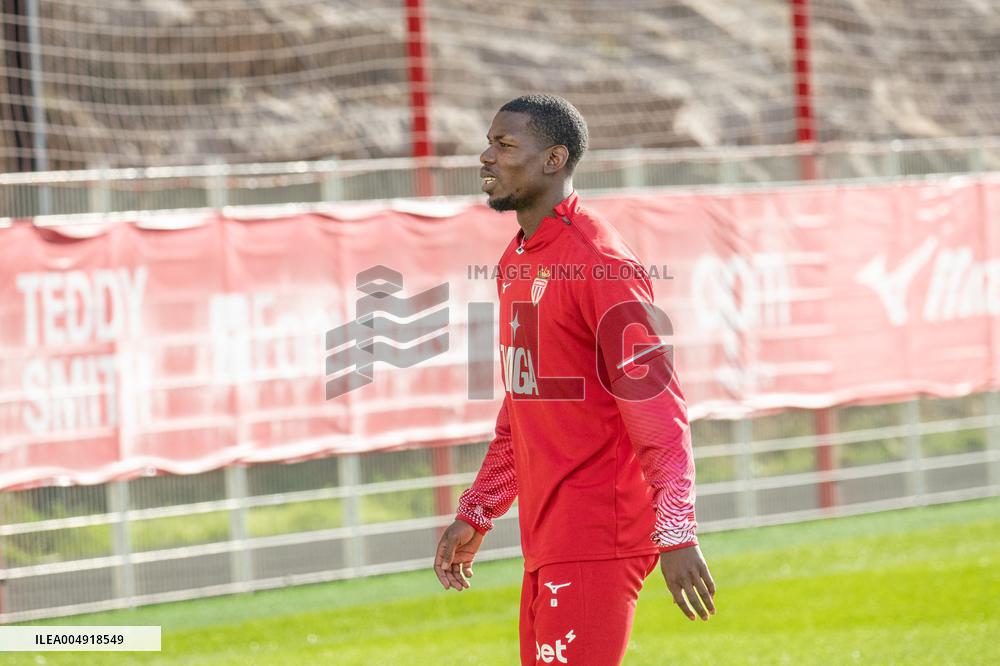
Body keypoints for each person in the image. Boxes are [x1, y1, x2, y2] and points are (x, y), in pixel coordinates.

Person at [433, 94, 715, 666]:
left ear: (554, 159)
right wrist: (480, 507)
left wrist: (677, 530)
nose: (486, 156)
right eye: (489, 142)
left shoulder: (601, 260)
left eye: (505, 145)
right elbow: (524, 402)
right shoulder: (517, 259)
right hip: (550, 535)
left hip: (599, 531)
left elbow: (658, 409)